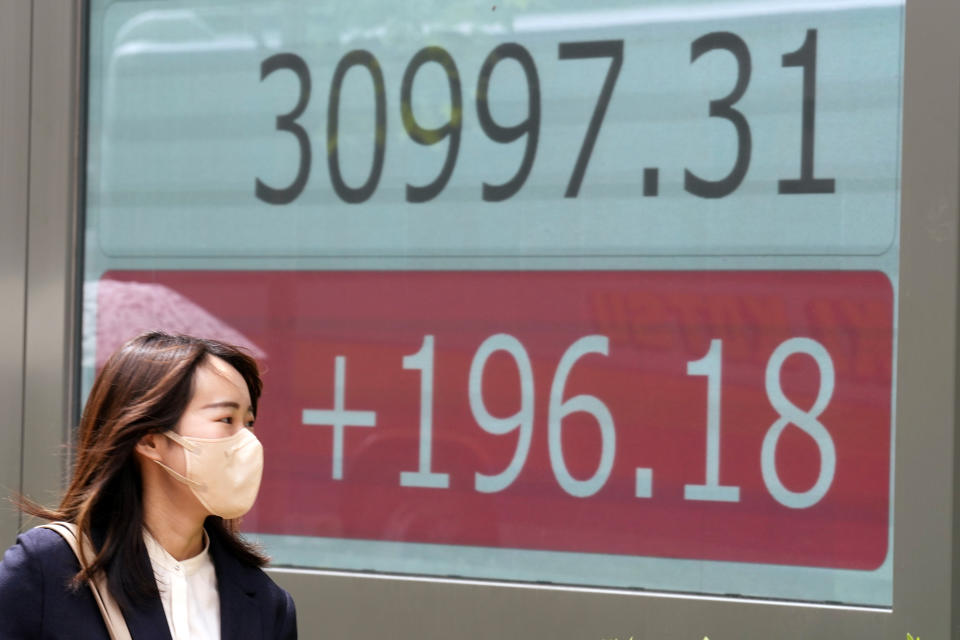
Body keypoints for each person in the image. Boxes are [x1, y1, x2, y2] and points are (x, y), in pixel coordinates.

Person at [0, 331, 296, 639]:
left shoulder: (266, 603)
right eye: (226, 419)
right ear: (148, 438)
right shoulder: (49, 567)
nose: (247, 441)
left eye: (248, 423)